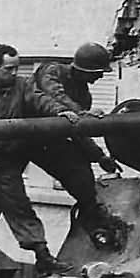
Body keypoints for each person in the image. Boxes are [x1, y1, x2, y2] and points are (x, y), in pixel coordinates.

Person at [0, 43, 80, 278]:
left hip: (6, 164)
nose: (13, 73)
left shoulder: (23, 87)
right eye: (8, 69)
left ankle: (43, 257)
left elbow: (40, 100)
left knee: (20, 209)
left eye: (16, 68)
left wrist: (59, 111)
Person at [27, 42, 120, 234]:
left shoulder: (83, 95)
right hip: (21, 135)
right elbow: (54, 94)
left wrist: (99, 156)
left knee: (80, 173)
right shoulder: (52, 71)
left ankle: (93, 222)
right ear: (86, 70)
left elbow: (77, 131)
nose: (101, 77)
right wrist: (81, 113)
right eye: (99, 72)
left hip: (47, 141)